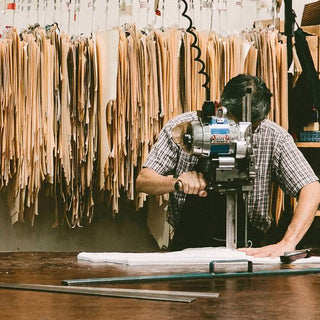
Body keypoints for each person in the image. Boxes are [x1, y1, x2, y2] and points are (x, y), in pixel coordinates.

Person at [136, 74, 320, 257]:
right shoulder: (186, 130)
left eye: (251, 129)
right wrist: (177, 183)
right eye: (234, 126)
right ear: (218, 107)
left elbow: (312, 189)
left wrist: (287, 243)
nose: (241, 136)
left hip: (248, 250)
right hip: (188, 249)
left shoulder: (274, 137)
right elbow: (144, 180)